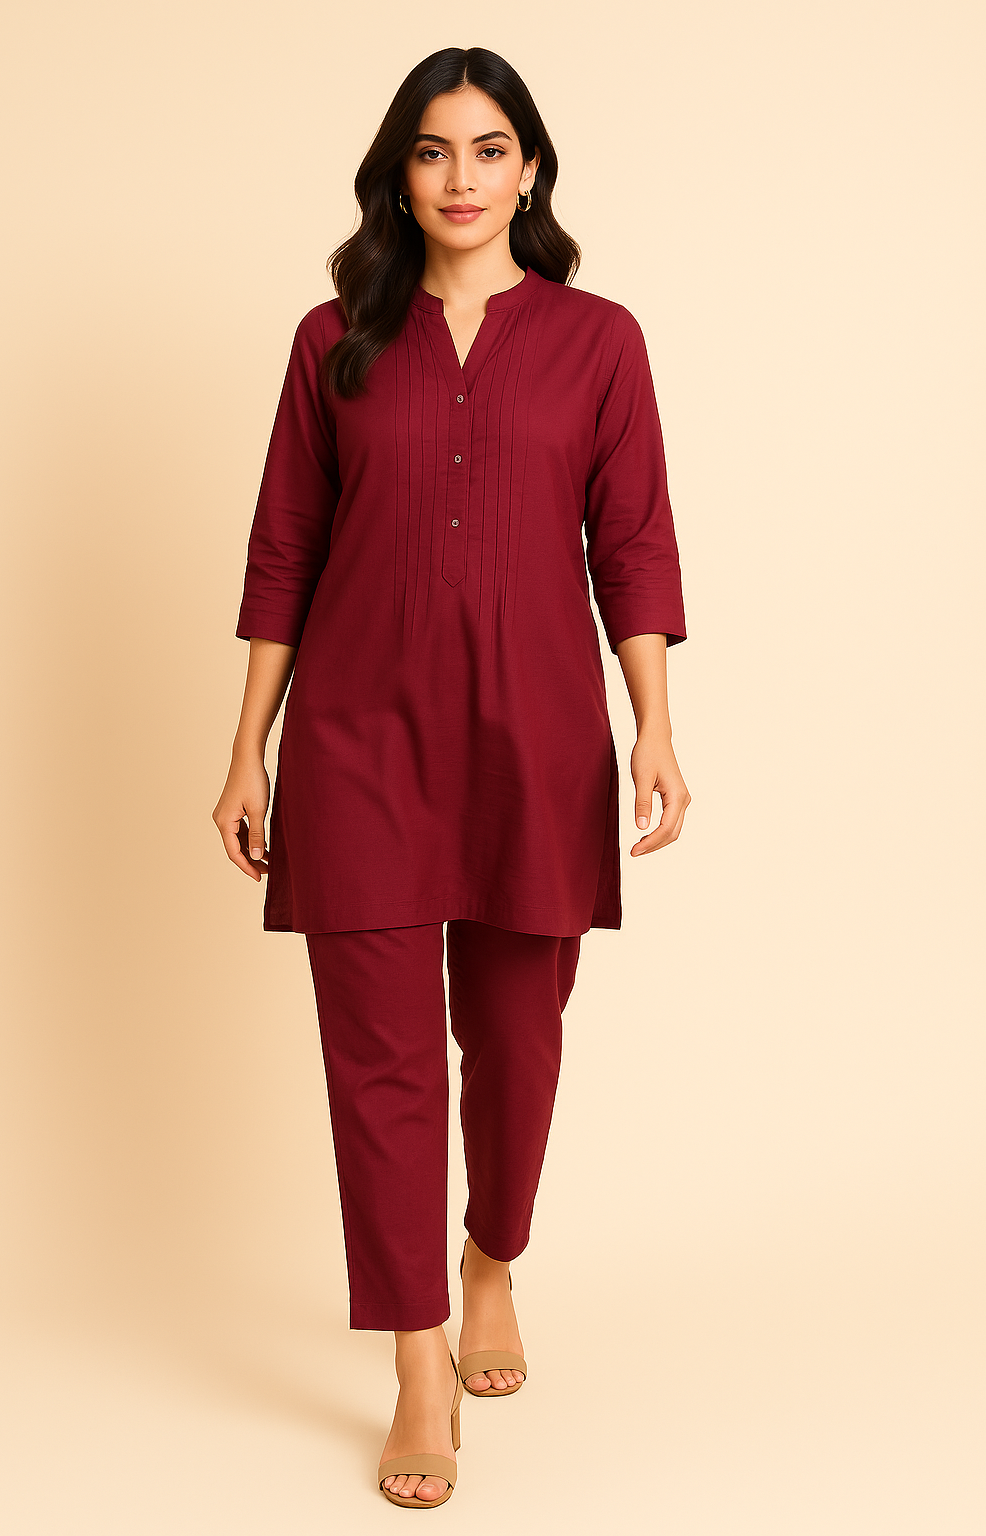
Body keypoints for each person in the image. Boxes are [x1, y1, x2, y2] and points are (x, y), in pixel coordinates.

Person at [212, 45, 691, 1509]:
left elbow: (634, 540)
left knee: (518, 1039)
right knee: (379, 1058)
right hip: (358, 737)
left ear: (529, 170)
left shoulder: (600, 341)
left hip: (534, 738)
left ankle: (492, 1259)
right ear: (400, 173)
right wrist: (247, 745)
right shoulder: (334, 341)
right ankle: (416, 1355)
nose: (462, 178)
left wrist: (653, 725)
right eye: (433, 151)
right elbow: (286, 545)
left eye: (489, 150)